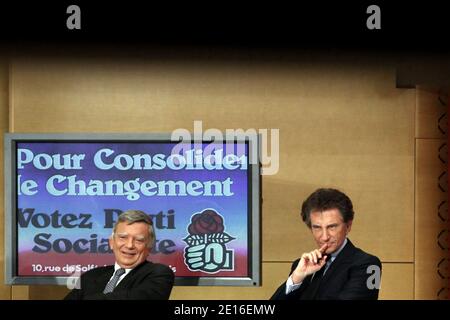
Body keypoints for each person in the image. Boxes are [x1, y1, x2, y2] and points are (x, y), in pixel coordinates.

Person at [271, 188, 381, 300]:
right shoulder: (300, 266)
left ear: (348, 226)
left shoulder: (370, 265)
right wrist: (296, 278)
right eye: (317, 228)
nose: (324, 237)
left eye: (332, 227)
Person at [64, 210, 174, 300]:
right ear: (111, 242)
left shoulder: (159, 273)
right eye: (123, 237)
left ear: (149, 247)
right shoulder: (90, 277)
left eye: (139, 240)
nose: (130, 245)